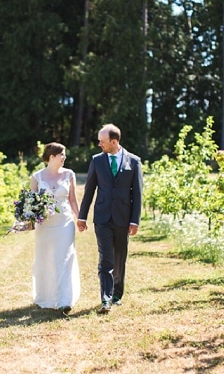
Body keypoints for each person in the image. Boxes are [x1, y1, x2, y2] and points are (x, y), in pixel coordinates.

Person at [77, 124, 143, 314]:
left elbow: (137, 194)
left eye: (102, 141)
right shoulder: (97, 161)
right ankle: (105, 299)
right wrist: (82, 216)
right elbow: (89, 190)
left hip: (124, 217)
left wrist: (134, 220)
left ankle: (116, 294)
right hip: (103, 217)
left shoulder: (134, 161)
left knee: (120, 258)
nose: (99, 144)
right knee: (105, 258)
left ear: (114, 142)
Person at [30, 142, 81, 316]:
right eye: (62, 155)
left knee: (64, 258)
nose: (64, 158)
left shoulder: (69, 174)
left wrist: (79, 218)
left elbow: (73, 199)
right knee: (45, 259)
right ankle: (47, 296)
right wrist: (29, 219)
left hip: (65, 223)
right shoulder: (37, 177)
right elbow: (32, 203)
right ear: (52, 157)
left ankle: (65, 300)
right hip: (44, 226)